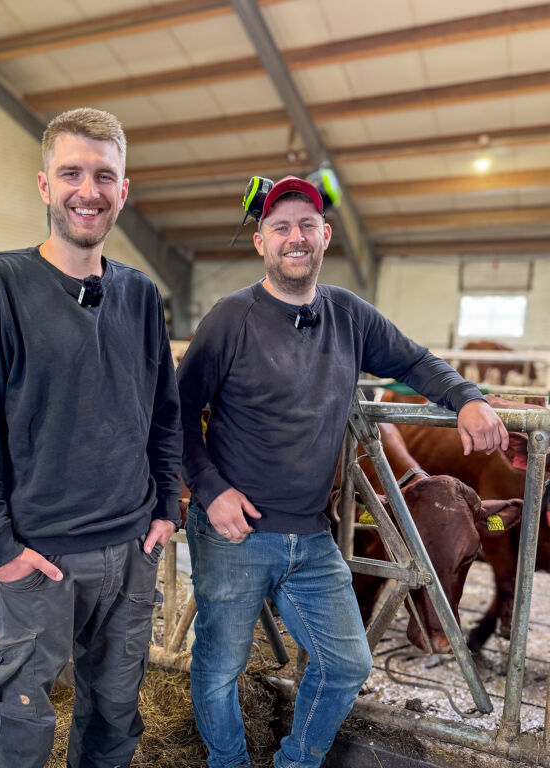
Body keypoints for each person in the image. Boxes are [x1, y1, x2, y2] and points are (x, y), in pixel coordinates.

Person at [177, 175, 508, 768]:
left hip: (311, 535)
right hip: (232, 532)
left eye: (307, 226)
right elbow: (176, 416)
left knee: (348, 662)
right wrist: (210, 490)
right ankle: (225, 764)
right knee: (220, 664)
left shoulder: (347, 314)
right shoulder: (230, 318)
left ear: (325, 236)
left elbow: (411, 358)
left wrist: (468, 396)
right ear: (262, 243)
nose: (294, 238)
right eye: (280, 227)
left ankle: (295, 762)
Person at [0, 107, 182, 768]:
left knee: (115, 718)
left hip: (129, 553)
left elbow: (164, 410)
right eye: (71, 172)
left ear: (123, 191)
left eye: (104, 175)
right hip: (37, 556)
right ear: (45, 185)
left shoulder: (139, 295)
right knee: (22, 722)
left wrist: (166, 506)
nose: (89, 189)